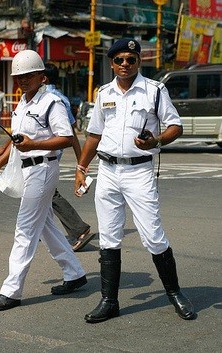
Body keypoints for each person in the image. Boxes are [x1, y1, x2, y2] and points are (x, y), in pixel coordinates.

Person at [74, 38, 195, 323]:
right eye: (119, 60)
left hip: (139, 172)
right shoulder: (103, 93)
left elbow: (175, 126)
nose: (125, 64)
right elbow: (94, 135)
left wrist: (157, 140)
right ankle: (109, 301)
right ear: (112, 63)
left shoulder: (154, 90)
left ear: (139, 61)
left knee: (153, 235)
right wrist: (81, 166)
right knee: (109, 237)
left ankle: (175, 292)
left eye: (131, 59)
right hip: (107, 172)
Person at [0, 49, 87, 311]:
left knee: (25, 229)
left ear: (41, 76)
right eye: (19, 77)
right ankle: (74, 273)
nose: (23, 81)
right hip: (26, 168)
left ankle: (11, 291)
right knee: (44, 226)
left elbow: (66, 137)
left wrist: (37, 146)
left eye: (28, 75)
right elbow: (18, 139)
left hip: (43, 168)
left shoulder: (52, 102)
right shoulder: (23, 103)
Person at [44, 64, 95, 251]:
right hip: (50, 152)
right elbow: (72, 133)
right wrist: (80, 162)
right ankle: (44, 230)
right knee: (42, 192)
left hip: (44, 152)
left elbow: (69, 134)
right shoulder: (62, 98)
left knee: (46, 192)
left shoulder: (49, 98)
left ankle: (78, 228)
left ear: (44, 78)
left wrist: (81, 164)